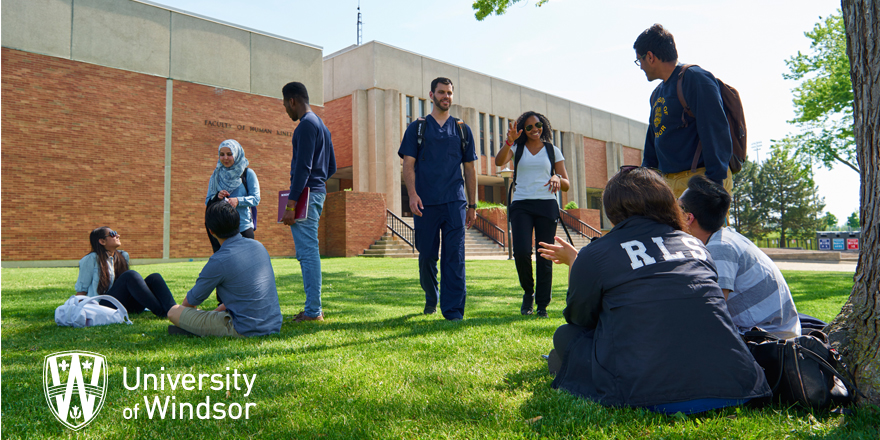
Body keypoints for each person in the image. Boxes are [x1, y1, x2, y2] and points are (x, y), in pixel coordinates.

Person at [537, 166, 770, 414]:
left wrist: (578, 264)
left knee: (565, 335)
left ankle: (569, 368)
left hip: (646, 391)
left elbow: (579, 319)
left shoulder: (596, 253)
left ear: (612, 208)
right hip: (736, 385)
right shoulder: (697, 245)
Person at [679, 175, 803, 338]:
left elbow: (713, 310)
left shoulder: (720, 248)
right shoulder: (725, 238)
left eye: (677, 208)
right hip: (770, 332)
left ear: (688, 218)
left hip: (770, 341)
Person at [397, 77, 478, 321]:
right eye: (441, 92)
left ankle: (453, 311)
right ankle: (431, 297)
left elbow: (471, 170)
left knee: (454, 256)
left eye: (450, 93)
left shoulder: (462, 128)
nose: (446, 97)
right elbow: (407, 165)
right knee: (427, 256)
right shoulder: (417, 128)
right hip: (425, 203)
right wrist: (412, 195)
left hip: (455, 202)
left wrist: (472, 205)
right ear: (431, 95)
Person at [634, 23, 733, 198]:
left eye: (639, 60)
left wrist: (713, 190)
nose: (640, 66)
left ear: (650, 56)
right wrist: (646, 186)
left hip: (700, 181)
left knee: (705, 227)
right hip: (669, 185)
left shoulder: (695, 78)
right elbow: (652, 146)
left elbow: (716, 133)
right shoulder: (657, 94)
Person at [167, 202, 282, 337]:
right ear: (238, 223)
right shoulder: (258, 246)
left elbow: (190, 303)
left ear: (211, 231)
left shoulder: (219, 260)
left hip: (244, 329)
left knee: (173, 311)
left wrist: (189, 318)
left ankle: (194, 330)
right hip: (273, 325)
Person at [495, 111, 570, 317]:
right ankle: (529, 292)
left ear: (543, 126)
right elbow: (498, 162)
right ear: (522, 130)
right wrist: (509, 142)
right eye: (529, 127)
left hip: (547, 205)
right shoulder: (517, 148)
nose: (534, 129)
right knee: (521, 252)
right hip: (521, 205)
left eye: (538, 125)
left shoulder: (553, 150)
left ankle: (542, 304)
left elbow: (566, 185)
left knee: (544, 254)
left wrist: (556, 177)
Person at [279, 81, 337, 322]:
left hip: (306, 194)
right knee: (308, 250)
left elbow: (303, 169)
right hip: (317, 191)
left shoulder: (304, 126)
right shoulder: (322, 126)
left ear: (292, 101)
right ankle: (313, 308)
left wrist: (291, 205)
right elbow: (331, 166)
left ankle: (313, 311)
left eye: (285, 105)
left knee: (307, 252)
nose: (286, 110)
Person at [74, 227, 176, 317]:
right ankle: (163, 313)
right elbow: (82, 291)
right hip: (103, 306)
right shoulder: (90, 259)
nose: (117, 235)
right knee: (130, 275)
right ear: (102, 241)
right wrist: (76, 310)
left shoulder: (122, 256)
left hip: (125, 305)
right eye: (113, 234)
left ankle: (174, 310)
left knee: (155, 277)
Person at [205, 139, 260, 253]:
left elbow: (256, 198)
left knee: (246, 265)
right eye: (222, 154)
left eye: (229, 154)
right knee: (224, 266)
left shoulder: (247, 173)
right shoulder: (216, 175)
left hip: (243, 227)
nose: (225, 158)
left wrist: (238, 201)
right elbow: (208, 201)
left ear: (237, 154)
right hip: (222, 230)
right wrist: (218, 197)